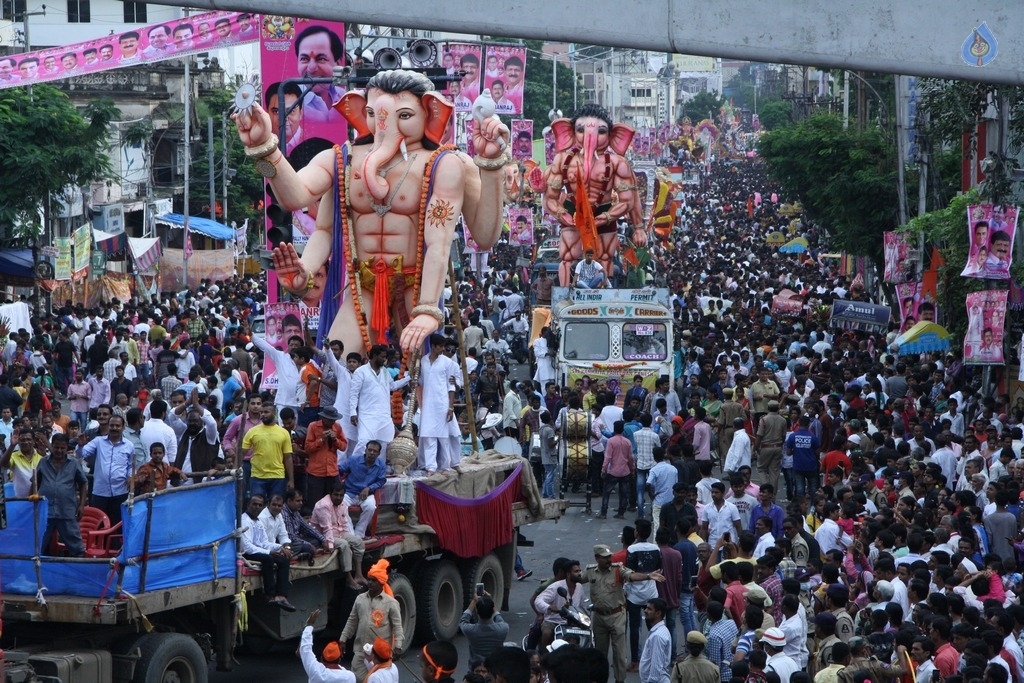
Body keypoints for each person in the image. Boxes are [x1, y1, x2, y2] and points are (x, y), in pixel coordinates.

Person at [234, 69, 508, 356]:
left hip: (413, 289)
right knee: (337, 366)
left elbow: (461, 240)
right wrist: (266, 151)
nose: (384, 127)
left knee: (418, 383)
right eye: (373, 113)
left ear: (428, 112)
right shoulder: (342, 159)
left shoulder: (445, 164)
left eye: (403, 116)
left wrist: (491, 166)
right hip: (362, 287)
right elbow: (299, 201)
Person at [338, 559, 404, 683]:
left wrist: (398, 646)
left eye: (373, 580)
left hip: (380, 656)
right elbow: (352, 620)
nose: (369, 583)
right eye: (369, 579)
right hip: (360, 652)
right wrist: (343, 638)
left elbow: (397, 627)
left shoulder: (391, 603)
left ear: (381, 582)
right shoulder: (360, 599)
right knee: (357, 678)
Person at [350, 344, 411, 457]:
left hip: (384, 415)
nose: (384, 360)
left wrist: (409, 378)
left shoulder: (384, 371)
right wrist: (353, 412)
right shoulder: (361, 371)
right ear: (374, 356)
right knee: (364, 442)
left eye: (385, 357)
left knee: (383, 443)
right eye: (382, 357)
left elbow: (392, 386)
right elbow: (353, 394)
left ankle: (378, 470)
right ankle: (354, 468)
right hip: (367, 414)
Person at [239, 494, 297, 611]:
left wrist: (281, 548)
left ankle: (281, 595)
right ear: (248, 505)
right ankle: (269, 595)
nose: (257, 507)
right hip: (247, 552)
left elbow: (265, 542)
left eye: (260, 505)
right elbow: (247, 547)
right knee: (268, 559)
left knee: (283, 559)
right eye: (254, 504)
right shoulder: (243, 520)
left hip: (259, 550)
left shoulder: (258, 521)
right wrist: (268, 552)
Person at [76, 414, 134, 525]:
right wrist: (80, 446)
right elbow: (82, 454)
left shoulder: (129, 445)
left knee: (117, 524)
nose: (114, 428)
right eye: (112, 425)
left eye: (118, 426)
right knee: (99, 524)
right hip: (100, 492)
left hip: (120, 491)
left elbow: (131, 465)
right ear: (108, 426)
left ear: (123, 427)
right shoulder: (98, 441)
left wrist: (130, 476)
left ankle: (115, 543)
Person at [36, 433, 87, 557]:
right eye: (56, 447)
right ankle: (35, 572)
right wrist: (32, 503)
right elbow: (35, 483)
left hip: (66, 510)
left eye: (62, 448)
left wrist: (81, 505)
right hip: (45, 511)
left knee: (76, 546)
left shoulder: (74, 463)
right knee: (38, 543)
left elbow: (83, 483)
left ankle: (79, 570)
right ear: (52, 446)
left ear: (66, 447)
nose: (59, 450)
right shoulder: (43, 462)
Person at [311, 482, 367, 589]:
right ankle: (349, 578)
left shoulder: (342, 504)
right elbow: (327, 529)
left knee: (358, 542)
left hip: (339, 533)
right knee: (344, 545)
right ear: (330, 494)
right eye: (336, 495)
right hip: (323, 537)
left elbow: (344, 524)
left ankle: (358, 575)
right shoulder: (323, 505)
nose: (338, 497)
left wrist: (349, 537)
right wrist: (331, 547)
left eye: (341, 495)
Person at [418, 333, 460, 473]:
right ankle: (430, 467)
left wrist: (451, 407)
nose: (443, 349)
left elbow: (451, 386)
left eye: (444, 346)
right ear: (433, 346)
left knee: (444, 437)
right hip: (428, 404)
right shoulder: (423, 361)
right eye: (441, 346)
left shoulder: (448, 363)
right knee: (429, 436)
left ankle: (446, 466)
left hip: (443, 403)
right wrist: (413, 380)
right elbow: (422, 382)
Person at [241, 403, 294, 500]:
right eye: (261, 412)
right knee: (256, 506)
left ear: (274, 413)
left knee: (275, 506)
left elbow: (288, 457)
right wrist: (235, 467)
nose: (263, 414)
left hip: (277, 476)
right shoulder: (252, 431)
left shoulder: (284, 433)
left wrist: (291, 480)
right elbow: (242, 453)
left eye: (266, 412)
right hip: (257, 476)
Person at [337, 440, 387, 538]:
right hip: (349, 492)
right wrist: (339, 485)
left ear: (379, 453)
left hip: (367, 494)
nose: (371, 453)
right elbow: (339, 470)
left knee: (371, 507)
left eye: (375, 451)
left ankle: (359, 534)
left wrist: (369, 488)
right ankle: (350, 534)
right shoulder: (353, 460)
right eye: (370, 450)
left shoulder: (381, 465)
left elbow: (381, 481)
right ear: (366, 450)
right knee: (341, 505)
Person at [304, 406, 346, 509]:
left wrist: (335, 439)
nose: (332, 422)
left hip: (332, 472)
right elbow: (308, 448)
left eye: (334, 420)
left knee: (333, 502)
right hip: (316, 472)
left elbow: (344, 447)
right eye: (330, 420)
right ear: (324, 418)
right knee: (315, 503)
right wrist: (321, 440)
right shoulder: (313, 426)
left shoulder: (337, 427)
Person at [300, 608, 356, 682]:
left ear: (321, 658)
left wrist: (309, 626)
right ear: (339, 660)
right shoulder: (349, 677)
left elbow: (305, 649)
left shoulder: (316, 672)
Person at [460, 590, 510, 661]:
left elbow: (463, 620)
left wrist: (474, 601)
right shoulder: (503, 629)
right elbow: (499, 619)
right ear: (492, 610)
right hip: (494, 667)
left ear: (477, 611)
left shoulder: (470, 630)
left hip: (476, 666)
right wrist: (490, 602)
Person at [639, 598, 671, 683]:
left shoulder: (657, 636)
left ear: (658, 613)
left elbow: (656, 667)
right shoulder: (661, 630)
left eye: (649, 609)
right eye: (646, 608)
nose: (645, 611)